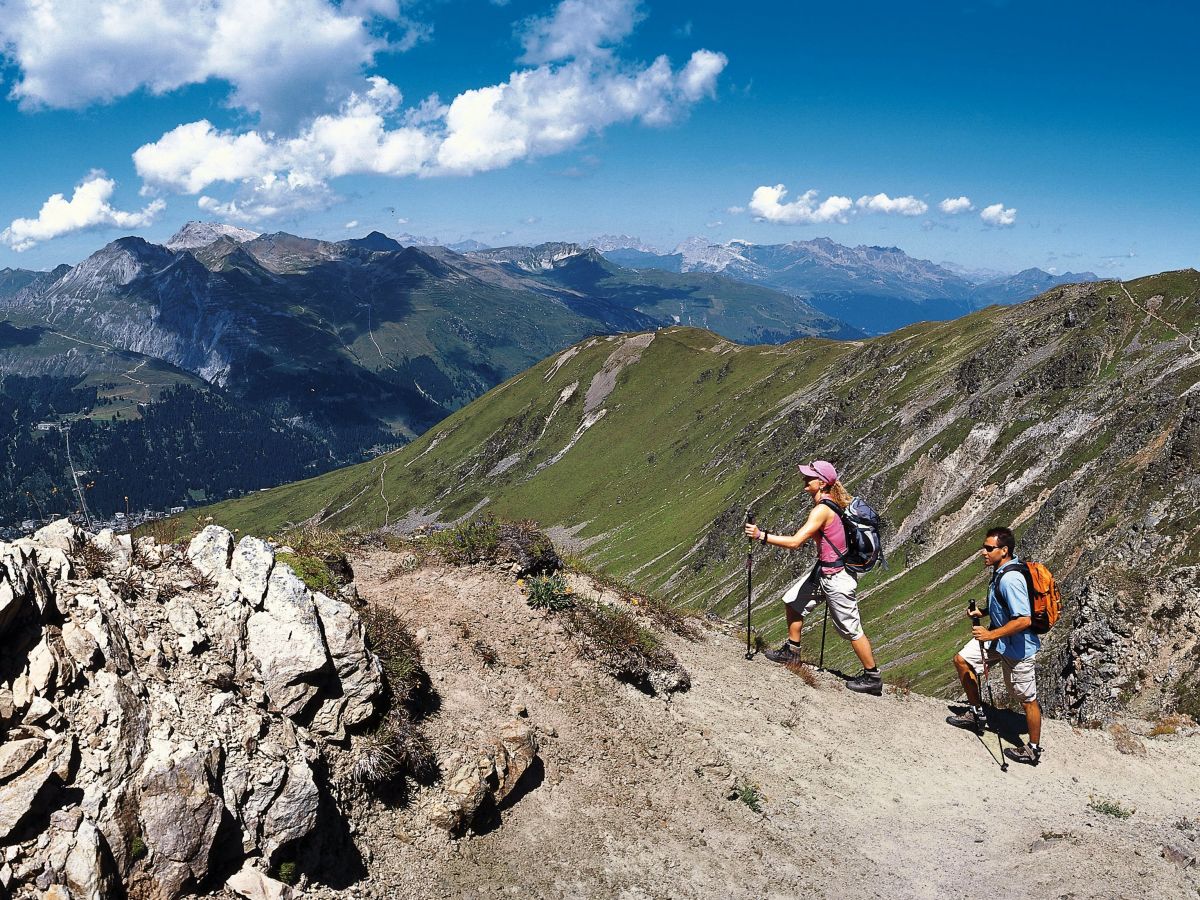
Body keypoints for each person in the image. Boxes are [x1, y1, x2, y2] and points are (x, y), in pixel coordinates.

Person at [743, 459, 883, 696]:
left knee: (850, 629)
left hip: (836, 577)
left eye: (809, 477)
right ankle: (792, 651)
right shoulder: (831, 504)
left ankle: (873, 677)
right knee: (793, 601)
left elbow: (796, 542)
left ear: (821, 482)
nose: (804, 480)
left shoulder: (822, 510)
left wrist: (760, 535)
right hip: (825, 571)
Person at [947, 526, 1043, 766]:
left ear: (1004, 550)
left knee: (1027, 698)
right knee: (962, 660)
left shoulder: (1010, 579)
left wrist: (990, 635)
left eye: (989, 548)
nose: (984, 552)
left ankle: (1033, 749)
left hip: (1018, 648)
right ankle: (976, 712)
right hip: (1000, 640)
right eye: (984, 547)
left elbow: (1023, 619)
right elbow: (1006, 606)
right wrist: (985, 611)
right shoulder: (1001, 572)